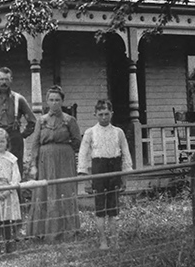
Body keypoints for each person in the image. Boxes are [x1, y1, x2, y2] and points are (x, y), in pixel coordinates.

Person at [27, 85, 81, 242]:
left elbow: (77, 141)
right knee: (45, 192)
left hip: (64, 160)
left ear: (62, 101)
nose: (54, 103)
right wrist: (33, 164)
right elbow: (35, 143)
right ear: (47, 101)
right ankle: (44, 232)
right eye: (51, 100)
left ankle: (67, 231)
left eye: (57, 100)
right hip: (45, 161)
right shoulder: (41, 121)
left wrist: (65, 151)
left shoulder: (70, 120)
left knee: (64, 190)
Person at [77, 99, 133, 250]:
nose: (103, 117)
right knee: (100, 208)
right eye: (100, 114)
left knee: (113, 208)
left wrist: (125, 176)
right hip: (98, 169)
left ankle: (114, 240)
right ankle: (103, 241)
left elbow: (126, 154)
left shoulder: (118, 132)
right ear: (95, 114)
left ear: (111, 114)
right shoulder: (90, 133)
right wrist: (86, 179)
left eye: (106, 114)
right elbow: (83, 155)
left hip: (114, 169)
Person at [0, 67, 36, 177]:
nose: (3, 82)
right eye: (1, 79)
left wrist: (21, 135)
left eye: (6, 79)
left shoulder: (19, 99)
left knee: (15, 171)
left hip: (14, 137)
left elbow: (32, 121)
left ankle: (16, 194)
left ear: (11, 80)